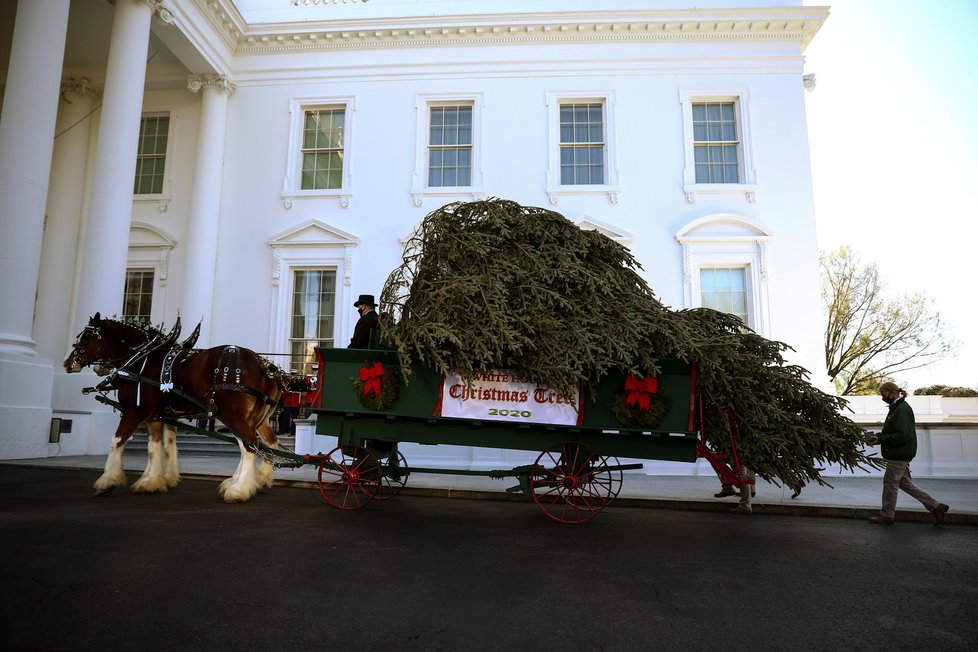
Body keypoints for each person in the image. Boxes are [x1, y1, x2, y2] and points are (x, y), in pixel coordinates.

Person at [866, 381, 949, 526]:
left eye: (883, 394)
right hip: (900, 452)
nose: (882, 397)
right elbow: (893, 432)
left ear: (892, 392)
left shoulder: (901, 409)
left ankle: (887, 515)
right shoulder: (897, 407)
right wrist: (878, 438)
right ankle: (936, 507)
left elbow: (902, 435)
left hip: (898, 454)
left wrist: (880, 439)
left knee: (890, 483)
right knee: (904, 483)